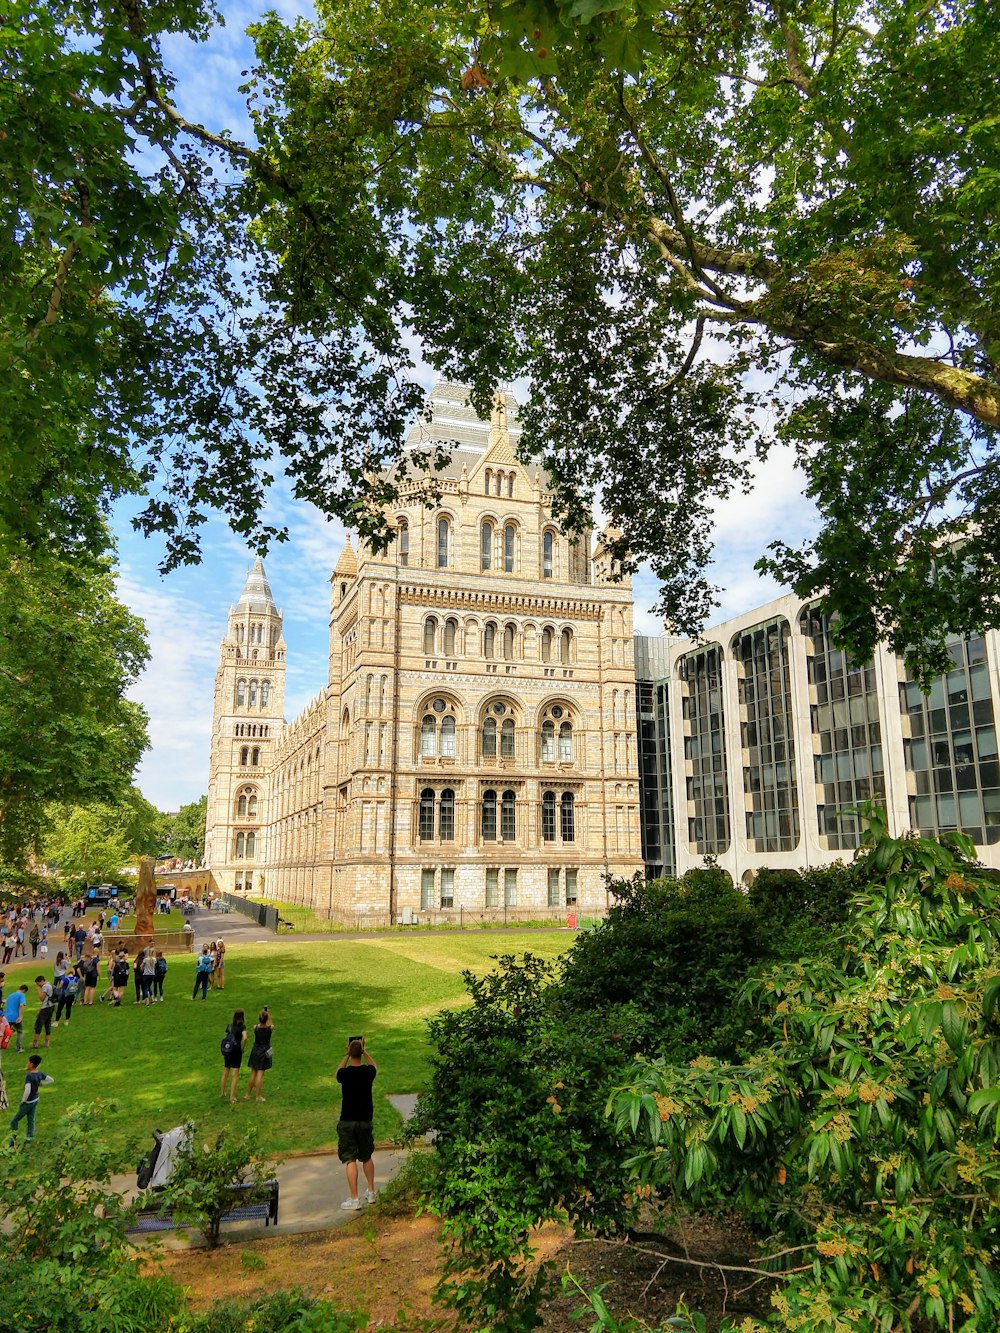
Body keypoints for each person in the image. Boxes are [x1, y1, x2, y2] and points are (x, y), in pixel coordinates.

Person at [335, 1036, 378, 1209]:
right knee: (366, 1156)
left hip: (347, 1121)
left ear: (349, 1052)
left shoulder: (345, 1074)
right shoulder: (368, 1073)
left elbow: (338, 1071)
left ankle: (354, 1199)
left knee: (350, 1159)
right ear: (361, 1052)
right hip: (365, 1120)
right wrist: (363, 1049)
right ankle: (371, 1192)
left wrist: (347, 1054)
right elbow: (375, 1066)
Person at [9, 1054, 53, 1144]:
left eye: (28, 1062)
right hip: (35, 1100)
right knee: (31, 1119)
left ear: (32, 1064)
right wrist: (42, 1084)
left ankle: (13, 1140)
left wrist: (23, 1101)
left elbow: (27, 1091)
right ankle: (30, 1138)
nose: (27, 1063)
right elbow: (51, 1080)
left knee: (14, 1120)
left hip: (28, 1102)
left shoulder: (29, 1076)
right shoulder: (39, 1073)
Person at [245, 1007, 273, 1102]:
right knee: (260, 1074)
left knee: (253, 1073)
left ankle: (248, 1094)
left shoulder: (255, 1028)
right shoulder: (270, 1029)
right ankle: (258, 1096)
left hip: (255, 1051)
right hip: (264, 1052)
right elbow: (271, 1024)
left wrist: (263, 1015)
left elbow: (259, 1024)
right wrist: (268, 1014)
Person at [220, 1007, 248, 1103]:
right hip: (236, 1050)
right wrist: (242, 1048)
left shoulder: (229, 1026)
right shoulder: (242, 1027)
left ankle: (223, 1092)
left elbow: (225, 1037)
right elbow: (245, 1038)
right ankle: (232, 1097)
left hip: (228, 1049)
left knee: (225, 1071)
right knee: (235, 1074)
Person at [31, 975, 55, 1049]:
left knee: (38, 1025)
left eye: (38, 983)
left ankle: (35, 1043)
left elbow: (42, 998)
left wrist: (38, 990)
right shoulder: (50, 984)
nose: (38, 985)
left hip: (46, 1008)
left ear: (41, 981)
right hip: (51, 1006)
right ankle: (47, 1043)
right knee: (48, 1024)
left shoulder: (45, 986)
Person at [5, 984, 28, 1054]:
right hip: (16, 1017)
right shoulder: (21, 995)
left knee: (5, 1031)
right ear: (24, 990)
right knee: (20, 1031)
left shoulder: (10, 995)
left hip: (7, 1016)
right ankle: (19, 1048)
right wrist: (20, 1016)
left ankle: (3, 1045)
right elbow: (21, 1005)